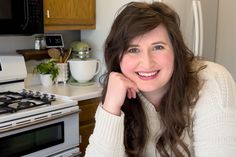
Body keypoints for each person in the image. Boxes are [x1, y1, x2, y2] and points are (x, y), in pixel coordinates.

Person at [84, 1, 236, 157]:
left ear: (176, 51)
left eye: (158, 47)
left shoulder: (212, 80)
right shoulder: (117, 93)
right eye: (133, 50)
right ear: (117, 57)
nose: (147, 63)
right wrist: (110, 109)